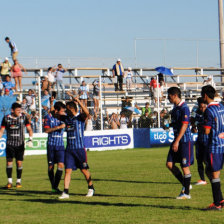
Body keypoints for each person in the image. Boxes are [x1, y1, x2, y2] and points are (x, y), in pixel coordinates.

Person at [58, 92, 95, 199]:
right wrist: (53, 103)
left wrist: (78, 101)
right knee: (68, 170)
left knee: (84, 170)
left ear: (72, 109)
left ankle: (91, 187)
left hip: (79, 149)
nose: (66, 110)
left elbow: (87, 113)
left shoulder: (80, 118)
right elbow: (54, 113)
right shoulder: (66, 119)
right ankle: (65, 192)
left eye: (67, 108)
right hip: (69, 149)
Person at [166, 87, 193, 199]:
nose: (168, 98)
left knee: (184, 166)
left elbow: (185, 125)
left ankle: (186, 193)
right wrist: (168, 125)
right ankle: (186, 185)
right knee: (169, 164)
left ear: (174, 95)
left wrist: (177, 141)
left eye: (169, 95)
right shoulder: (176, 108)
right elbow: (177, 123)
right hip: (177, 140)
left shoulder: (184, 108)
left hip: (184, 141)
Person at [201, 85, 224, 210]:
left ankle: (217, 204)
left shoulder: (209, 111)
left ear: (205, 95)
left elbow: (207, 131)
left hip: (214, 146)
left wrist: (200, 126)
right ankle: (220, 199)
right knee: (209, 171)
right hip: (222, 144)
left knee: (214, 174)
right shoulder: (221, 106)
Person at [0, 102, 33, 188]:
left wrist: (30, 139)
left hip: (20, 144)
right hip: (10, 144)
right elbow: (1, 131)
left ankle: (18, 181)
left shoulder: (23, 118)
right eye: (17, 110)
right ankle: (9, 182)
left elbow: (29, 129)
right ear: (12, 110)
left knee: (19, 163)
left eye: (20, 110)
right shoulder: (6, 118)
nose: (19, 111)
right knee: (9, 163)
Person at [44, 101, 66, 193]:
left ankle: (55, 186)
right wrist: (58, 127)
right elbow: (46, 130)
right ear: (57, 111)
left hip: (60, 145)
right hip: (51, 145)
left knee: (61, 165)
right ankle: (54, 186)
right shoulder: (48, 117)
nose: (63, 113)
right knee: (51, 167)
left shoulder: (64, 118)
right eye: (62, 111)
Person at [191, 97, 208, 186]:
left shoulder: (209, 112)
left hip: (208, 139)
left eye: (203, 107)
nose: (202, 109)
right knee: (199, 159)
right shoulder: (195, 112)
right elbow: (192, 121)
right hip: (200, 139)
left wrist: (198, 125)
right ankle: (202, 179)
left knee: (206, 160)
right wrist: (193, 127)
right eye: (200, 107)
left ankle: (213, 177)